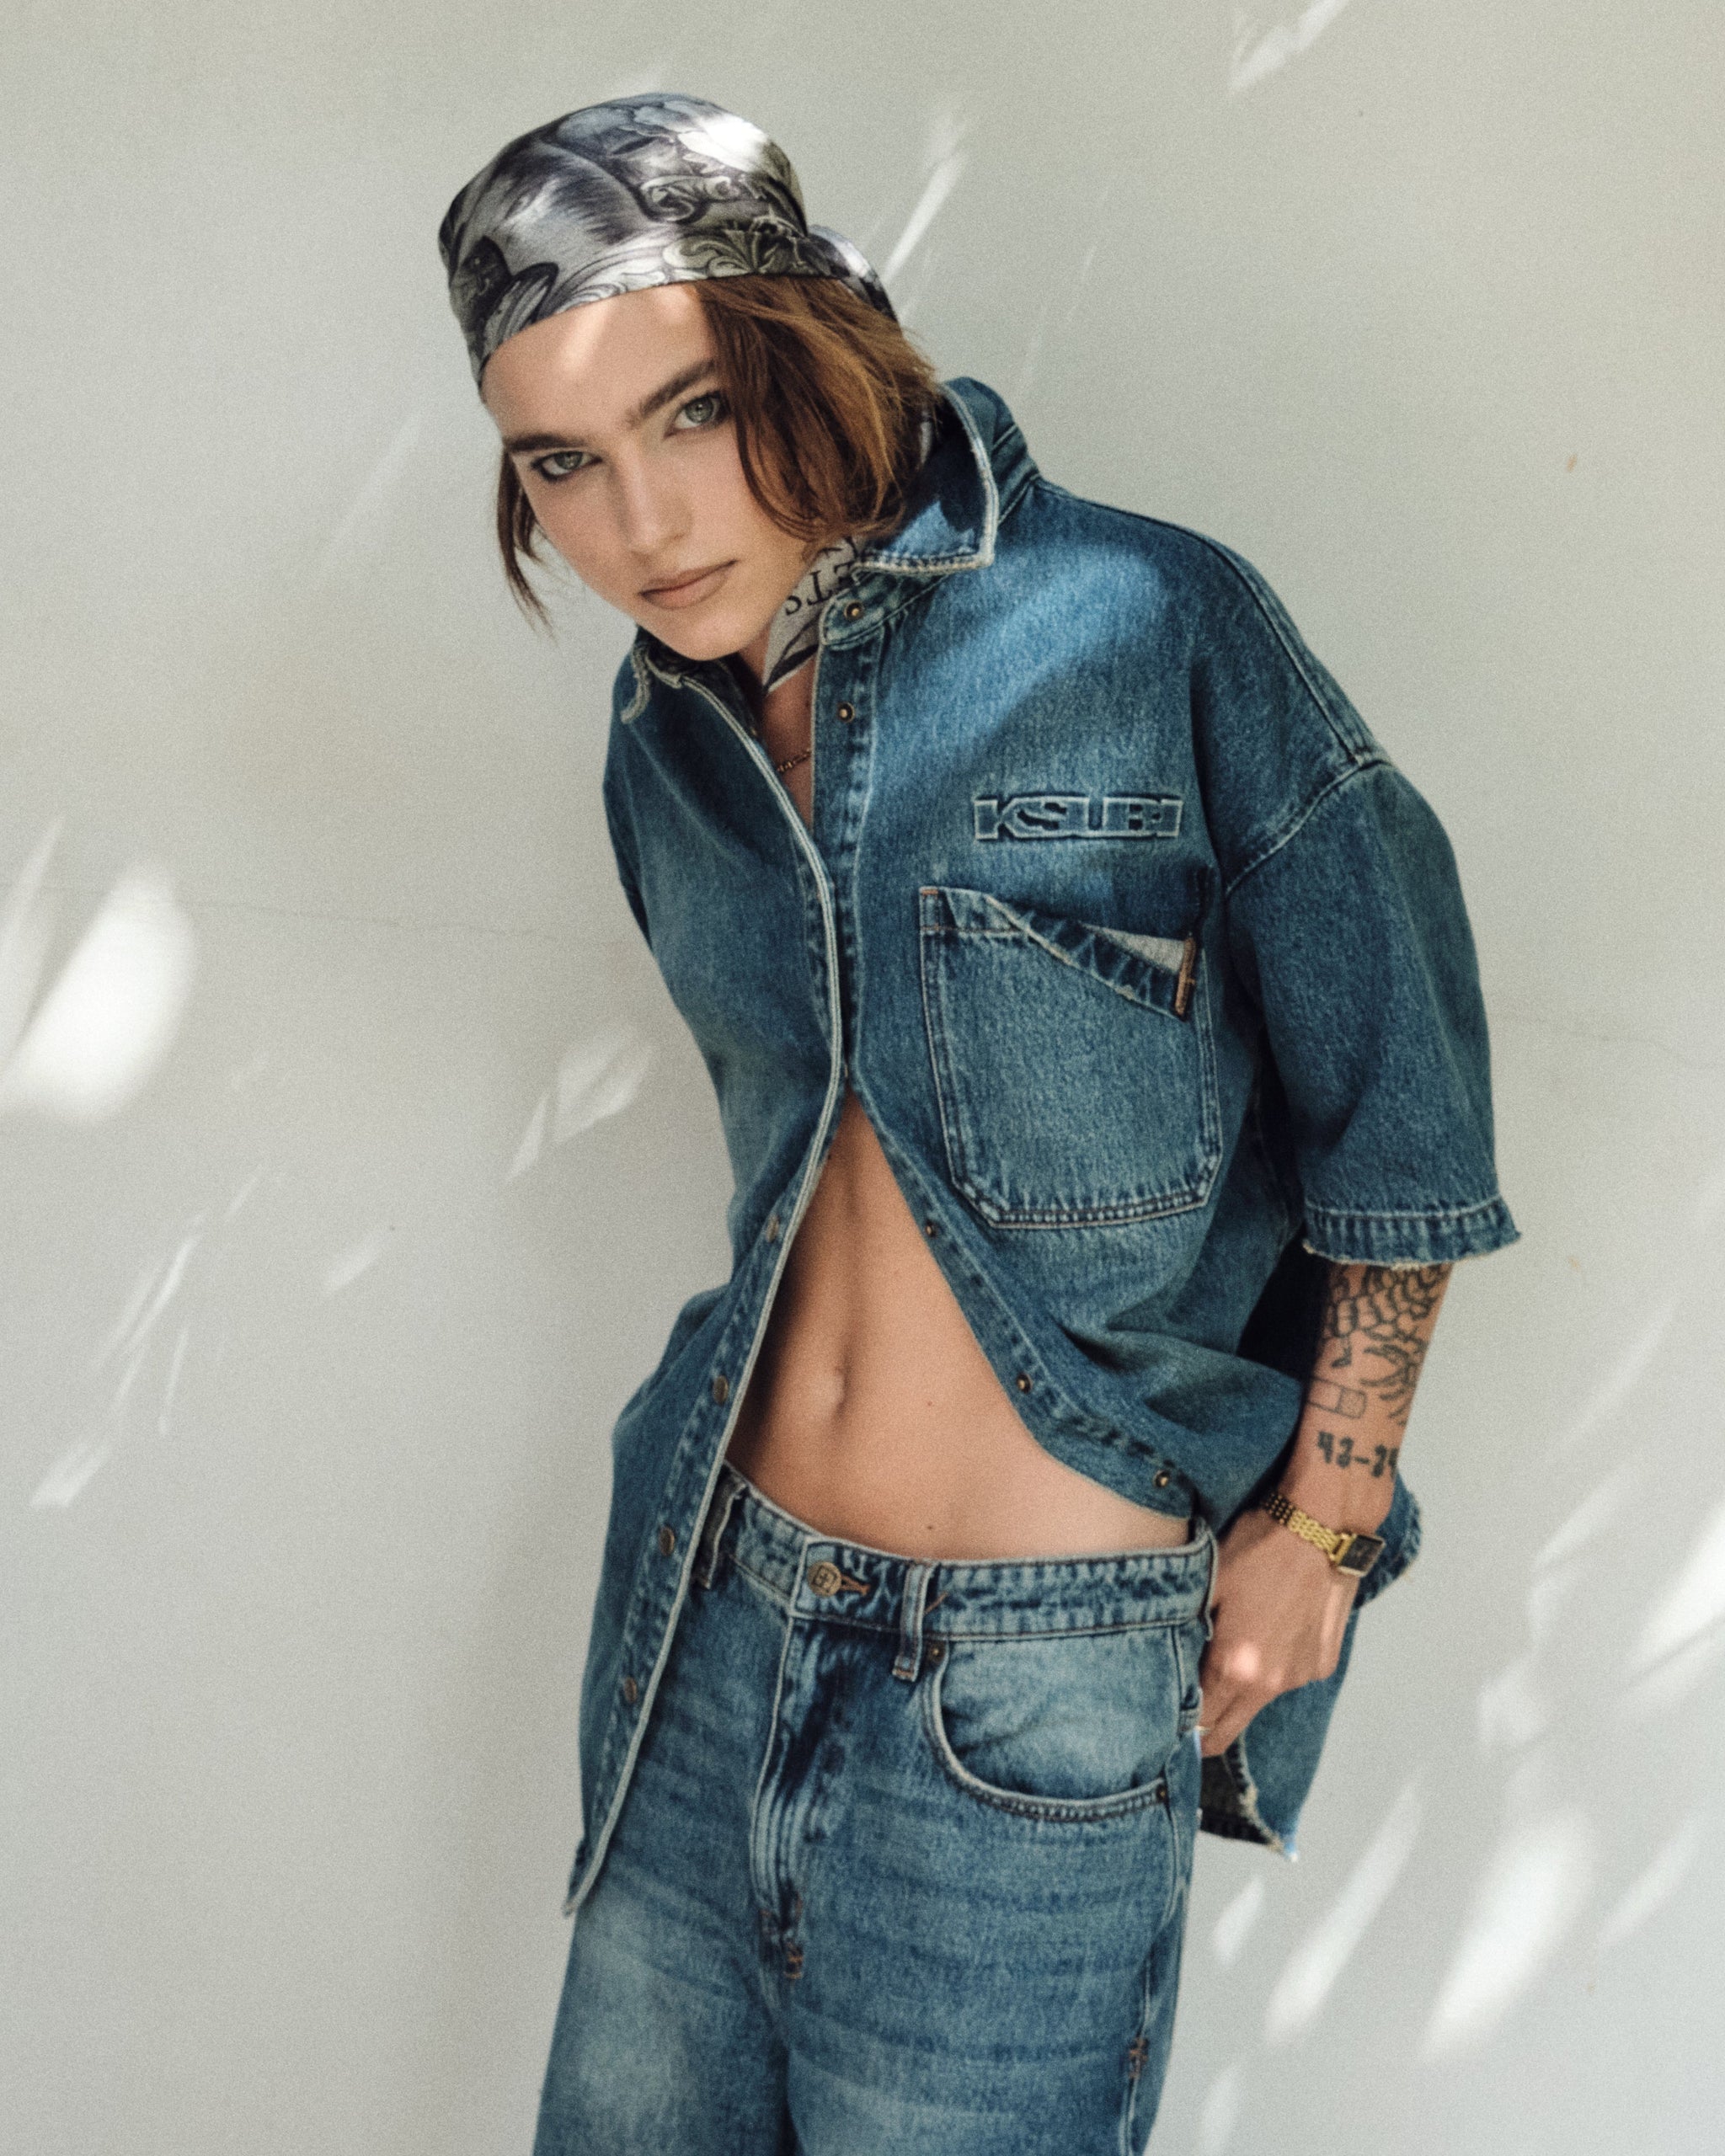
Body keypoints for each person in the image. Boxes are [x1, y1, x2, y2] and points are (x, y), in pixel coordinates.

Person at [438, 94, 1518, 2154]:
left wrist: (1328, 1518)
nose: (639, 520)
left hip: (1028, 1688)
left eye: (688, 413)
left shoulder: (1148, 624)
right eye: (560, 462)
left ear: (804, 346)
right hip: (709, 1616)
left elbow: (1406, 1107)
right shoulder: (668, 736)